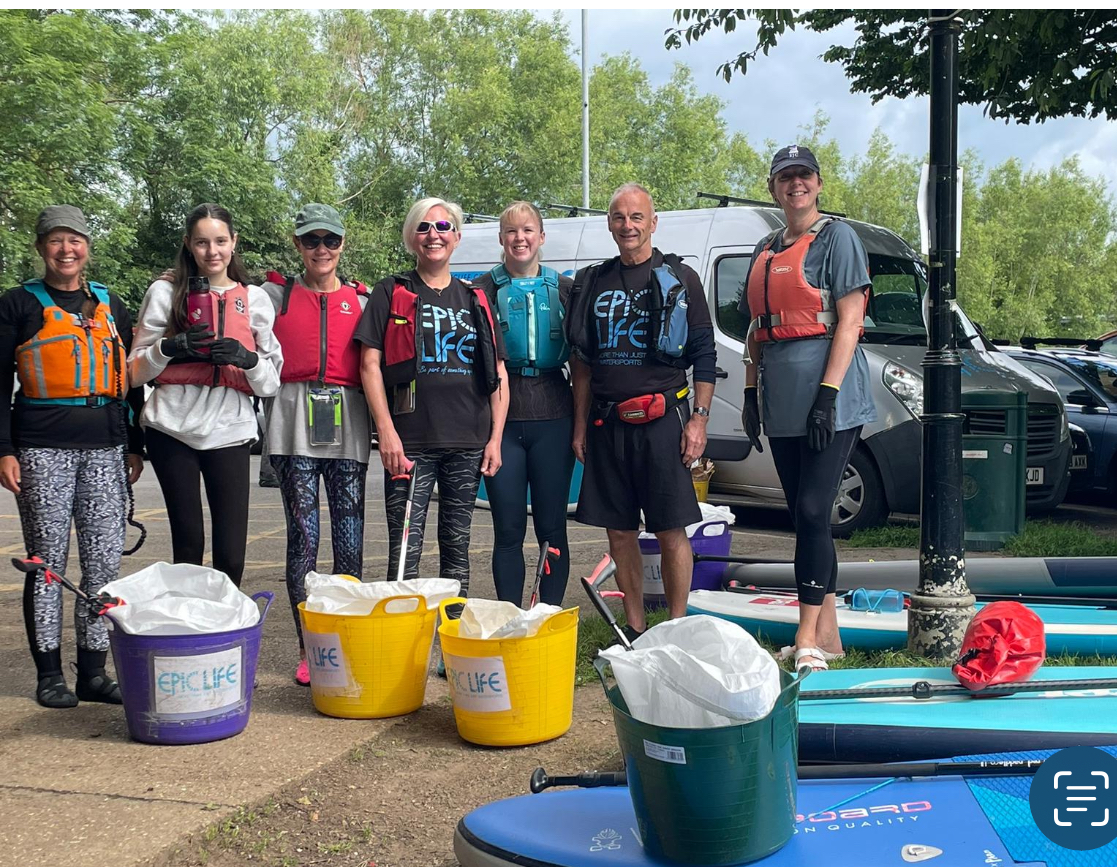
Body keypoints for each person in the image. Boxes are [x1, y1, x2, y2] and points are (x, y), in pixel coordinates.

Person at [738, 145, 877, 671]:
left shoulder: (838, 238)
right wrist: (752, 393)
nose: (795, 184)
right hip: (781, 401)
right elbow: (758, 331)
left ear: (817, 183)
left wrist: (829, 394)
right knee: (805, 518)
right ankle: (832, 636)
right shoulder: (766, 247)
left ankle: (806, 640)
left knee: (818, 510)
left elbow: (849, 321)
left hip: (829, 400)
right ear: (774, 187)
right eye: (785, 177)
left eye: (804, 176)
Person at [0, 205, 145, 707]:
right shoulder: (18, 304)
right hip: (42, 447)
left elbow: (129, 382)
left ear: (87, 247)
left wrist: (134, 444)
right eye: (56, 240)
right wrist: (4, 450)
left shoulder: (112, 306)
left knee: (104, 563)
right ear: (41, 247)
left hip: (105, 448)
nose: (66, 249)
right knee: (47, 564)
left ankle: (92, 672)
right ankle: (48, 674)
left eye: (75, 240)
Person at [566, 183, 717, 638]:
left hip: (663, 423)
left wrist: (699, 419)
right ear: (609, 224)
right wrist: (579, 429)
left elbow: (704, 353)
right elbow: (583, 366)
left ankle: (676, 626)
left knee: (671, 529)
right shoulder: (593, 282)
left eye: (636, 217)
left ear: (653, 223)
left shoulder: (680, 277)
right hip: (608, 423)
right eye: (618, 217)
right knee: (619, 532)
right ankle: (633, 626)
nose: (627, 226)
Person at [356, 197, 508, 598]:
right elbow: (369, 365)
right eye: (423, 228)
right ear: (411, 238)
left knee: (457, 550)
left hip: (467, 441)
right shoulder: (392, 291)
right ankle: (406, 650)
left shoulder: (475, 298)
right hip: (411, 444)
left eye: (442, 227)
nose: (433, 235)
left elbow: (498, 374)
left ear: (456, 238)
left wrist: (494, 439)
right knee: (405, 551)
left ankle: (451, 653)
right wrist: (386, 433)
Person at [129, 203, 282, 587]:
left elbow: (271, 384)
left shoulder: (256, 299)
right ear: (188, 244)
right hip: (171, 428)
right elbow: (133, 374)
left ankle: (224, 632)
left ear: (233, 243)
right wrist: (170, 348)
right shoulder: (164, 292)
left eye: (219, 241)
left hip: (228, 429)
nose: (212, 252)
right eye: (201, 242)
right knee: (189, 545)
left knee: (231, 553)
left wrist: (247, 360)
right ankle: (190, 634)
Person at [261, 204, 371, 686]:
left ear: (342, 244)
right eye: (311, 241)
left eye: (330, 240)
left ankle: (345, 641)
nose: (321, 249)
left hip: (347, 422)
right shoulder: (273, 295)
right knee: (303, 538)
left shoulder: (363, 300)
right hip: (292, 423)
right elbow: (223, 290)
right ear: (297, 244)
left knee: (349, 542)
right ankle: (311, 648)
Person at [472, 202, 575, 606]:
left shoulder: (565, 289)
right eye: (512, 231)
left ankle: (546, 617)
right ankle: (510, 618)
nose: (520, 238)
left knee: (552, 529)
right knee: (508, 529)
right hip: (502, 421)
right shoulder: (480, 290)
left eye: (528, 230)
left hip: (554, 413)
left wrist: (582, 427)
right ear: (501, 238)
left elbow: (583, 363)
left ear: (542, 237)